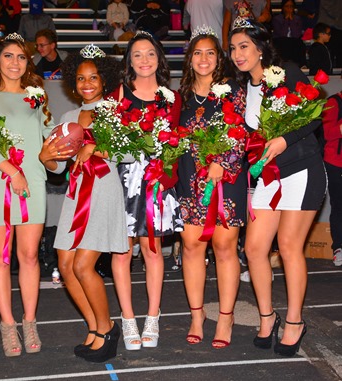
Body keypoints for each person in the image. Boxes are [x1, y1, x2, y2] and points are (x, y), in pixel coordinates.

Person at [229, 18, 326, 357]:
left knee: (288, 246)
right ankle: (267, 316)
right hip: (267, 177)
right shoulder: (240, 89)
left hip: (301, 170)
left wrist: (286, 139)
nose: (238, 54)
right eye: (233, 48)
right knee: (254, 249)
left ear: (259, 48)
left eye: (244, 46)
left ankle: (295, 321)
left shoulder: (285, 73)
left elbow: (316, 115)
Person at [0, 32, 56, 357]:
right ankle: (8, 326)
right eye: (8, 56)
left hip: (33, 182)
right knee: (0, 257)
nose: (14, 62)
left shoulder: (37, 97)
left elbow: (47, 140)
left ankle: (29, 321)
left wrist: (59, 157)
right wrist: (12, 171)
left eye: (21, 57)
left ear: (28, 62)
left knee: (30, 256)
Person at [45, 44, 126, 363]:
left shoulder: (115, 110)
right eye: (81, 78)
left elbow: (130, 154)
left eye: (93, 77)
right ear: (73, 82)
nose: (87, 83)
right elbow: (59, 168)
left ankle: (108, 329)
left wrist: (95, 149)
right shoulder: (67, 117)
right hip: (76, 195)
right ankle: (94, 329)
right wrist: (46, 158)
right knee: (65, 266)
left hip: (103, 191)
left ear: (104, 80)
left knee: (82, 265)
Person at [108, 31, 182, 351]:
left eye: (150, 53)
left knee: (152, 250)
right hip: (123, 181)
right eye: (137, 55)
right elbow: (107, 140)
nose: (144, 60)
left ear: (159, 57)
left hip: (156, 181)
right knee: (122, 251)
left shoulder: (172, 97)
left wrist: (163, 176)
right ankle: (127, 318)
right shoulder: (117, 94)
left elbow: (176, 144)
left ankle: (152, 316)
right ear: (129, 61)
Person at [177, 26, 246, 348]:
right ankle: (197, 314)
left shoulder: (233, 89)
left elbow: (244, 132)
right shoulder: (180, 97)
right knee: (191, 246)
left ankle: (227, 318)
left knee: (224, 246)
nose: (203, 59)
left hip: (225, 179)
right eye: (197, 53)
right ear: (190, 59)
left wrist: (223, 161)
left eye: (210, 53)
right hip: (190, 180)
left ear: (219, 58)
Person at [321, 91, 342, 267]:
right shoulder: (334, 102)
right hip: (336, 163)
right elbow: (327, 134)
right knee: (339, 205)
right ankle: (339, 248)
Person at [271, 0, 306, 67]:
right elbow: (282, 34)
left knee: (299, 43)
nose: (289, 8)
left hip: (293, 41)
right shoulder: (277, 19)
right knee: (283, 42)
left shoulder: (298, 19)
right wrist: (286, 20)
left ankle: (300, 65)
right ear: (283, 7)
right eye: (287, 6)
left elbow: (296, 35)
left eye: (291, 6)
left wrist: (292, 21)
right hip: (280, 41)